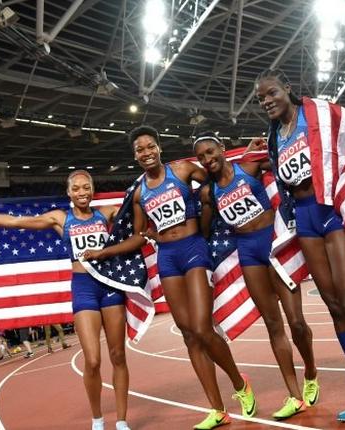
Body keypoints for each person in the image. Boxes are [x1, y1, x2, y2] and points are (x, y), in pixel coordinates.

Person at [255, 69, 345, 429]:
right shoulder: (275, 135)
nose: (267, 101)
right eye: (261, 99)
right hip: (305, 219)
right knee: (335, 307)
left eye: (272, 92)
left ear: (287, 88)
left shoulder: (319, 113)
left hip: (332, 210)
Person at [82, 125, 256, 430]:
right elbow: (138, 237)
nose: (146, 153)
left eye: (150, 147)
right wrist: (103, 254)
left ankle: (240, 383)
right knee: (188, 333)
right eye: (139, 149)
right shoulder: (138, 193)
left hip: (194, 248)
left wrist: (210, 201)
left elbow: (218, 182)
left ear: (159, 148)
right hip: (167, 257)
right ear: (134, 156)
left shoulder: (183, 169)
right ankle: (217, 409)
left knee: (202, 328)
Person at [0, 169, 132, 430]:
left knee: (118, 355)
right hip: (83, 288)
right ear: (68, 192)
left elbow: (137, 209)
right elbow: (16, 222)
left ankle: (121, 420)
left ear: (93, 190)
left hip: (110, 286)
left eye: (86, 188)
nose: (82, 193)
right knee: (92, 360)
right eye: (76, 188)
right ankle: (97, 419)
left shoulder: (107, 212)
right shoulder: (61, 218)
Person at [193, 131, 318, 420]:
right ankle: (294, 396)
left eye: (211, 152)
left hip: (274, 244)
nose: (208, 159)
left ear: (222, 148)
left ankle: (310, 372)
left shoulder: (248, 168)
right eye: (201, 157)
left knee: (296, 322)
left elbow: (281, 162)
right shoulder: (208, 193)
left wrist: (253, 152)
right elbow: (204, 230)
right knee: (274, 326)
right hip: (247, 253)